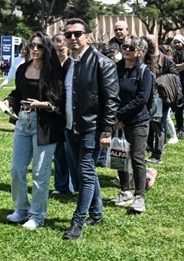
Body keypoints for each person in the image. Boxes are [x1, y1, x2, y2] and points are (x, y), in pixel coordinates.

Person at [60, 18, 119, 240]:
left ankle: (77, 222)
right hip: (70, 127)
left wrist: (106, 132)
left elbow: (111, 100)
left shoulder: (102, 63)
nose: (73, 38)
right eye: (69, 34)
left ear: (88, 36)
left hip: (92, 129)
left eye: (77, 34)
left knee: (85, 173)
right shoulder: (68, 63)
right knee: (84, 173)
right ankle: (97, 213)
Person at [4, 32, 65, 230]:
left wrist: (42, 104)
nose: (35, 49)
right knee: (17, 169)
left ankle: (37, 215)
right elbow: (18, 93)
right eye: (32, 46)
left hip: (44, 124)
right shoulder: (23, 68)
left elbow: (59, 103)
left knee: (40, 173)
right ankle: (21, 209)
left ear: (46, 49)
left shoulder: (54, 71)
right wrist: (9, 100)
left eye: (39, 46)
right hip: (23, 122)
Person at [113, 36, 153, 214]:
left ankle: (139, 197)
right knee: (119, 155)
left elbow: (141, 99)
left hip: (138, 121)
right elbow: (110, 92)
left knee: (137, 158)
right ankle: (124, 191)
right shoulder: (116, 69)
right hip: (118, 121)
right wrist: (114, 116)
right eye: (124, 46)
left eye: (131, 47)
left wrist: (120, 115)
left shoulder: (144, 72)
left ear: (139, 52)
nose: (126, 49)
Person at [143, 34, 177, 163]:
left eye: (148, 41)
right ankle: (147, 148)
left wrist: (159, 82)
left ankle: (157, 154)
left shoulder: (166, 60)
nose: (146, 43)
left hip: (161, 98)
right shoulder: (143, 59)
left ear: (155, 42)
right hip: (146, 97)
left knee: (159, 125)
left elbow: (174, 76)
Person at [51, 34, 76, 196]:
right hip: (54, 115)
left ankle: (74, 184)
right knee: (59, 153)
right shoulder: (51, 66)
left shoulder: (72, 65)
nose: (58, 53)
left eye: (61, 50)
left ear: (67, 48)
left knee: (72, 154)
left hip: (70, 114)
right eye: (55, 50)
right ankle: (61, 186)